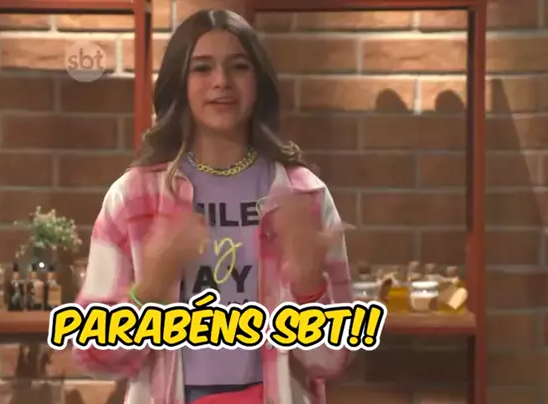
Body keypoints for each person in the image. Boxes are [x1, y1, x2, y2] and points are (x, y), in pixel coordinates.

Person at [73, 8, 353, 404]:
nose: (222, 81)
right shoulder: (134, 198)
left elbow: (332, 360)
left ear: (258, 83)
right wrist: (151, 285)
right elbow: (95, 356)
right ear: (180, 83)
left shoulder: (305, 195)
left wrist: (309, 285)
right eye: (202, 68)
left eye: (238, 67)